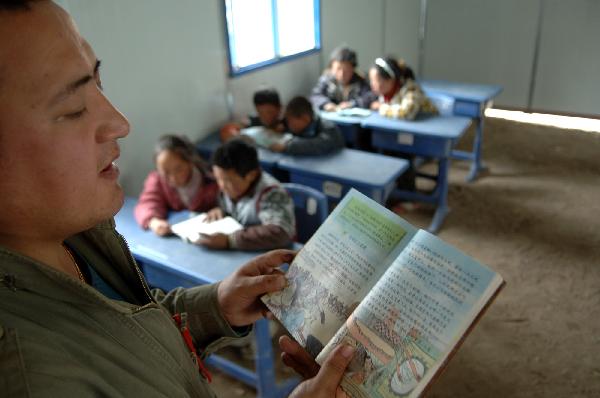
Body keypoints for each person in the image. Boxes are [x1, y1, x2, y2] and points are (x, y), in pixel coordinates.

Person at [0, 1, 353, 397]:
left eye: (99, 83)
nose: (120, 122)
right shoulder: (31, 377)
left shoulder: (75, 233)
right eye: (73, 107)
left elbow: (135, 330)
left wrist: (215, 306)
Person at [197, 138, 296, 251]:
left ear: (252, 175)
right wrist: (220, 211)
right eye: (218, 179)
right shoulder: (230, 188)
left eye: (228, 180)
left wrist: (230, 240)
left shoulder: (272, 193)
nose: (222, 186)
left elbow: (280, 233)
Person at [134, 134, 219, 236]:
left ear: (190, 162)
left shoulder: (211, 177)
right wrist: (154, 221)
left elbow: (232, 198)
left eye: (179, 169)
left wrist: (222, 209)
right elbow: (147, 203)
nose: (173, 178)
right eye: (166, 172)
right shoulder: (158, 180)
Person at [270, 96, 345, 155]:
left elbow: (321, 144)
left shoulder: (329, 128)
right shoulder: (291, 124)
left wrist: (287, 147)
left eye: (290, 122)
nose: (289, 125)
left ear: (305, 118)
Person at [368, 56, 437, 120]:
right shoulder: (386, 93)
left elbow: (406, 113)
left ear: (390, 80)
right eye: (371, 80)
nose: (372, 85)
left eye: (375, 81)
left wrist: (381, 107)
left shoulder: (411, 90)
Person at [310, 46, 373, 112]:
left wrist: (352, 104)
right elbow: (315, 95)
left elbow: (369, 97)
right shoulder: (326, 79)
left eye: (346, 70)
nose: (341, 74)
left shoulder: (361, 81)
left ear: (353, 69)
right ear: (331, 67)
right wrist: (326, 104)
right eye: (338, 69)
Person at [219, 88, 286, 141]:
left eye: (269, 112)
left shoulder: (287, 122)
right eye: (261, 113)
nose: (266, 117)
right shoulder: (252, 121)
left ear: (279, 108)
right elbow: (227, 130)